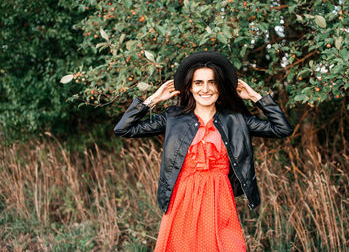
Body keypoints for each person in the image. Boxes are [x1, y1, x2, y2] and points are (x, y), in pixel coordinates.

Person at [114, 51, 293, 251]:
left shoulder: (236, 120)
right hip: (181, 200)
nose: (205, 89)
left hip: (219, 201)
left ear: (220, 87)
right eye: (198, 83)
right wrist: (153, 99)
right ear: (190, 87)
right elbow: (124, 129)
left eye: (212, 82)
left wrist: (255, 97)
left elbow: (282, 129)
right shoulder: (173, 118)